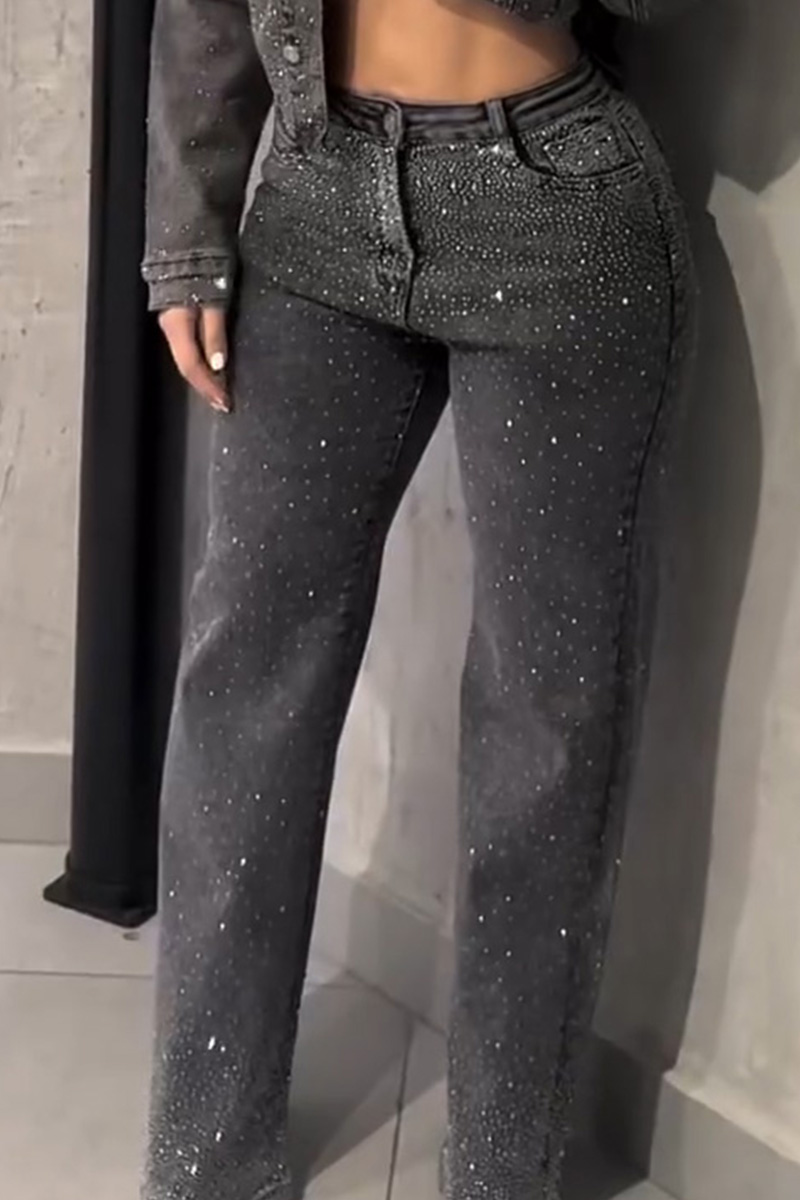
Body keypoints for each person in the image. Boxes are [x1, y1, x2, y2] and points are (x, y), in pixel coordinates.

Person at [139, 2, 699, 1199]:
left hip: (556, 210)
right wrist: (188, 223)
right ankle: (202, 1164)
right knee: (242, 686)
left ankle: (501, 1174)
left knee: (545, 720)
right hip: (315, 193)